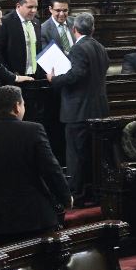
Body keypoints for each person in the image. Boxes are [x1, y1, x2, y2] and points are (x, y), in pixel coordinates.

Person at [0, 85, 72, 246]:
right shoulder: (33, 130)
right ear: (17, 106)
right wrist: (65, 197)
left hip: (0, 219)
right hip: (36, 216)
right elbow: (51, 169)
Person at [47, 13, 109, 197]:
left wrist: (54, 79)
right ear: (93, 29)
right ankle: (92, 193)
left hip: (79, 111)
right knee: (92, 155)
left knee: (76, 156)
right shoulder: (100, 47)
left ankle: (77, 195)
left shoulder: (78, 48)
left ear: (74, 29)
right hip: (98, 109)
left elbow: (76, 74)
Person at [0, 0, 42, 76]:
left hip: (35, 76)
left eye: (36, 7)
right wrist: (10, 73)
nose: (34, 10)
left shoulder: (36, 22)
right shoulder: (5, 22)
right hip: (15, 77)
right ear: (18, 6)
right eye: (30, 7)